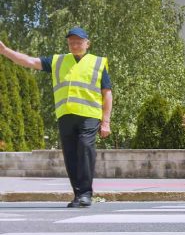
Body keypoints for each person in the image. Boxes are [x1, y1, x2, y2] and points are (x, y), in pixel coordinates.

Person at [0, 27, 112, 208]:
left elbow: (107, 93)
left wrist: (105, 121)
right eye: (71, 41)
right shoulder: (58, 61)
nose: (75, 44)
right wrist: (5, 51)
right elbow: (29, 61)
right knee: (70, 156)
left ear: (87, 43)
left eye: (79, 41)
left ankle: (85, 194)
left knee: (85, 148)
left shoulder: (97, 63)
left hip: (89, 116)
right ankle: (78, 195)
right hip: (65, 115)